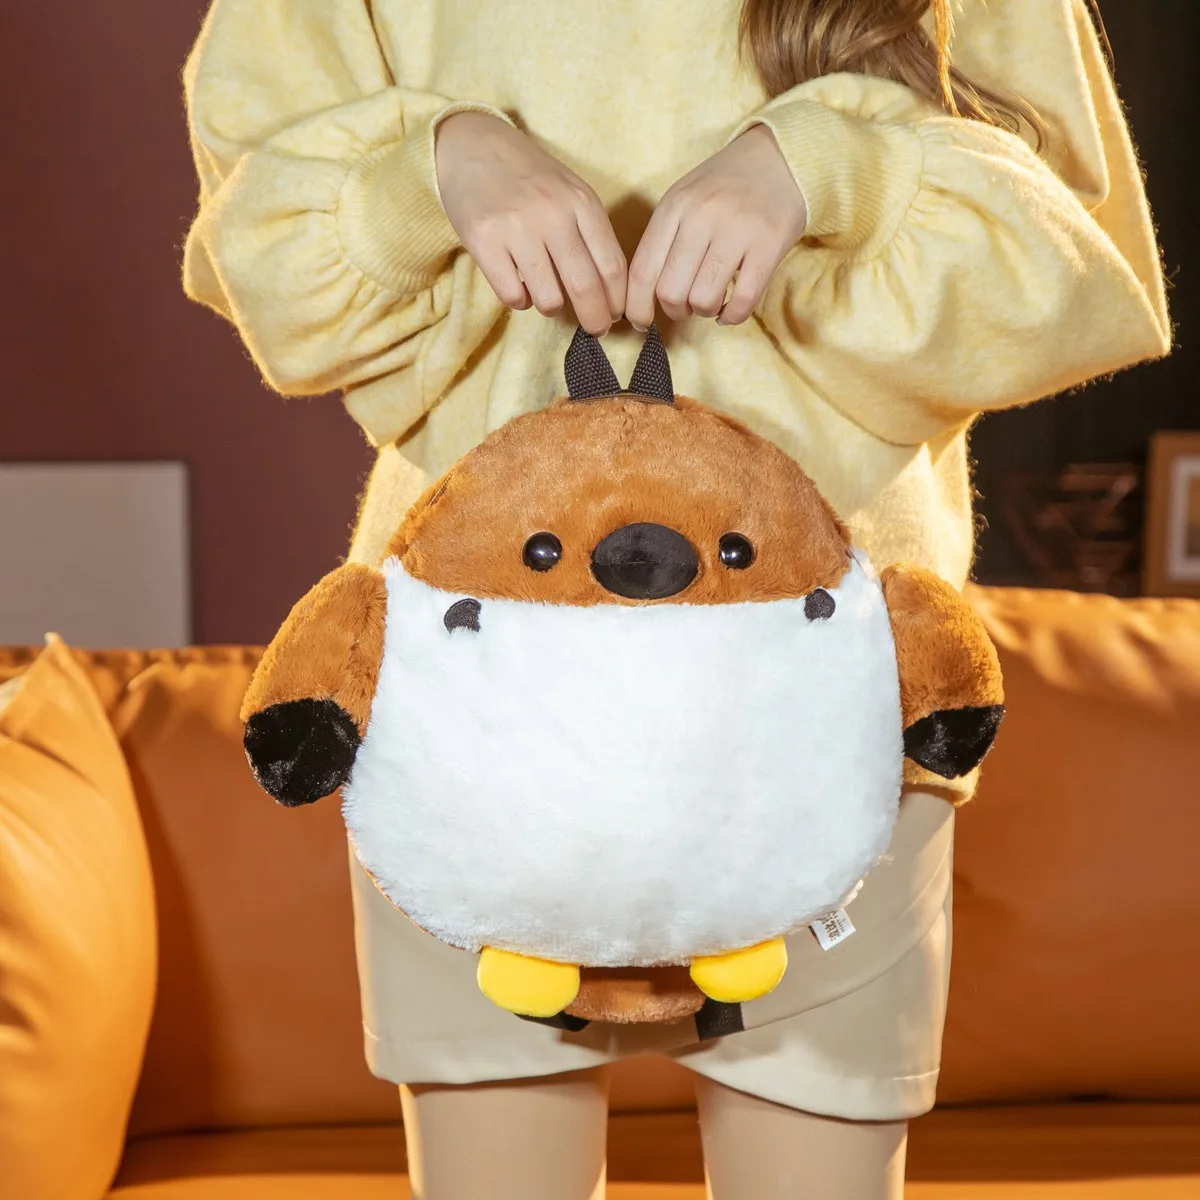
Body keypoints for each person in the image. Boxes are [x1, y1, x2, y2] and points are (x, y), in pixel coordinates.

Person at [181, 1, 1169, 1196]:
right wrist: (436, 164)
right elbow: (257, 257)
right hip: (474, 680)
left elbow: (1074, 271)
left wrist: (830, 167)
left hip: (826, 680)